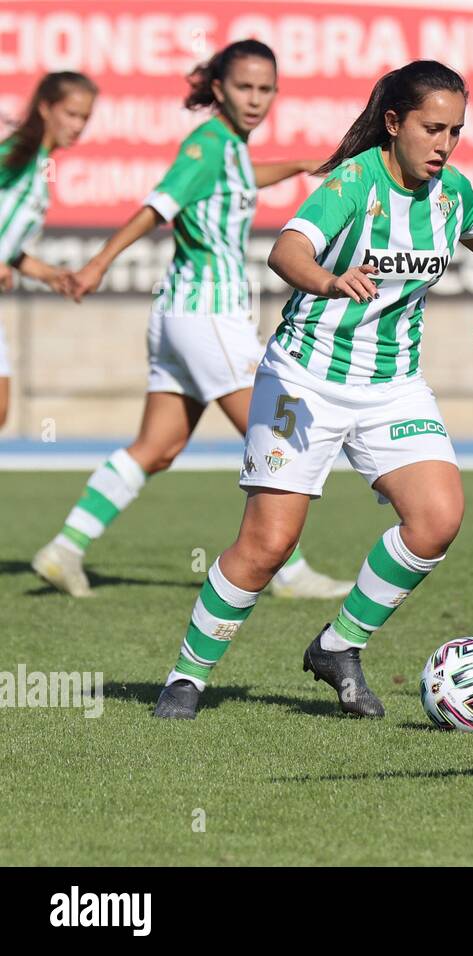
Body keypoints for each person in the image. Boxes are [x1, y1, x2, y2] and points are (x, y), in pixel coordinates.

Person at [152, 59, 473, 720]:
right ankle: (187, 677)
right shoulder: (354, 182)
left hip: (391, 385)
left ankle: (338, 646)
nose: (445, 144)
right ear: (394, 123)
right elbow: (287, 250)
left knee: (437, 519)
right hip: (306, 379)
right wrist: (326, 280)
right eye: (432, 129)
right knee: (268, 545)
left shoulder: (452, 193)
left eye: (455, 131)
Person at [31, 40, 351, 599]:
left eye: (265, 89)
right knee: (278, 432)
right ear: (220, 88)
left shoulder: (229, 149)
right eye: (245, 87)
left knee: (157, 448)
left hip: (179, 317)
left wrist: (299, 164)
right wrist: (97, 264)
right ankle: (290, 573)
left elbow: (239, 177)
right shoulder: (207, 145)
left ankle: (65, 548)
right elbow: (159, 206)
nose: (255, 99)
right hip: (208, 314)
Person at [0, 72, 93, 426]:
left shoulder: (42, 167)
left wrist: (50, 274)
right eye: (71, 114)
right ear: (44, 108)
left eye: (84, 117)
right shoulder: (14, 155)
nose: (78, 125)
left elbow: (9, 247)